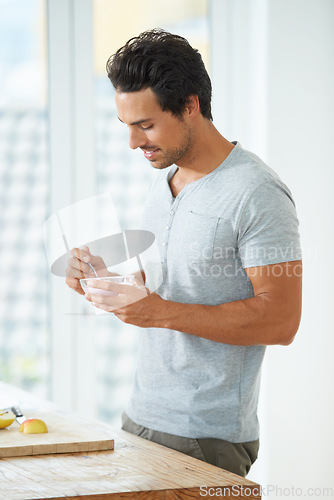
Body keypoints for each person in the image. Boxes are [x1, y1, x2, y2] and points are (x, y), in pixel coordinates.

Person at [66, 29, 302, 477]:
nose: (134, 143)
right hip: (140, 418)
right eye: (128, 127)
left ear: (190, 106)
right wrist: (101, 279)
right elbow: (160, 290)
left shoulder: (257, 193)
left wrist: (159, 312)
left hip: (206, 436)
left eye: (146, 125)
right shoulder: (164, 180)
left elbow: (282, 320)